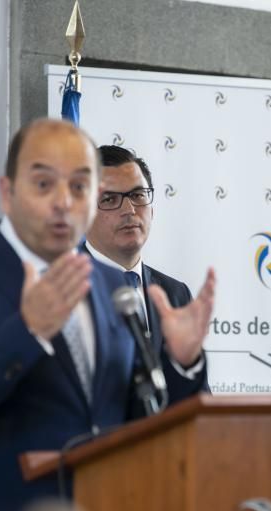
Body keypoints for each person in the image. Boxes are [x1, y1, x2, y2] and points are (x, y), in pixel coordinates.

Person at [0, 119, 215, 511]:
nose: (63, 201)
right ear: (7, 193)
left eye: (80, 186)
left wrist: (181, 364)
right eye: (44, 184)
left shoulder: (109, 287)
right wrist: (26, 332)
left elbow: (144, 420)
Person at [83, 145, 208, 398]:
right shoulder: (63, 289)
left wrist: (187, 364)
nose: (129, 210)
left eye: (138, 195)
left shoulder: (174, 293)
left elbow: (194, 401)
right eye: (109, 199)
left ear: (152, 208)